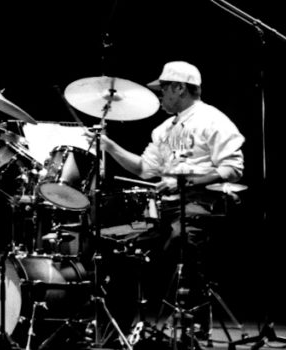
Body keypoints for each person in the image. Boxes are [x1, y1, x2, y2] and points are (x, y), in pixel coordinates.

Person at [90, 61, 245, 340]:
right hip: (170, 207)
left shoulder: (213, 120)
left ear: (179, 88)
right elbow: (143, 169)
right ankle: (116, 332)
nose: (160, 96)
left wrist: (185, 181)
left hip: (204, 202)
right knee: (120, 245)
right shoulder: (163, 129)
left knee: (179, 238)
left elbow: (232, 168)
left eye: (163, 90)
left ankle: (193, 319)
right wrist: (109, 146)